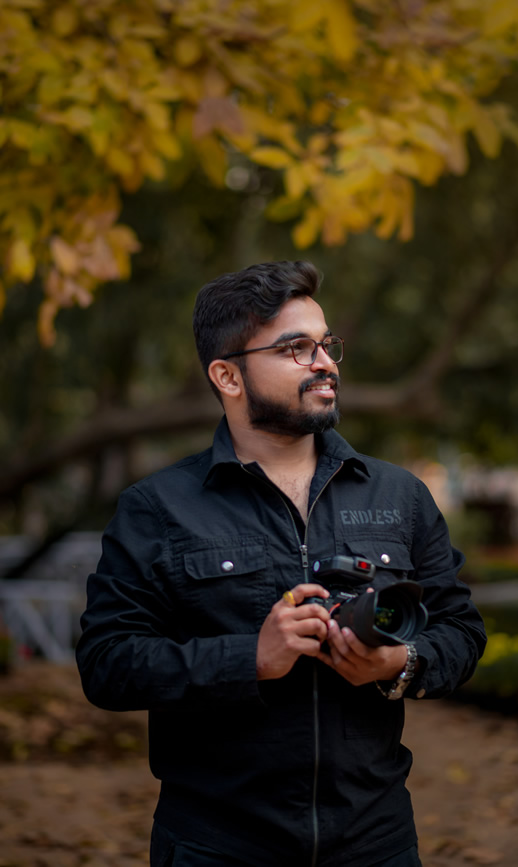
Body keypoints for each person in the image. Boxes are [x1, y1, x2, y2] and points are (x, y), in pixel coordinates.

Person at [77, 260, 486, 867]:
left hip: (376, 843)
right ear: (228, 376)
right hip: (216, 845)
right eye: (296, 348)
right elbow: (106, 664)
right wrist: (251, 659)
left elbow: (461, 630)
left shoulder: (400, 496)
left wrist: (398, 663)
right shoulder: (157, 508)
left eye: (326, 345)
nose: (325, 364)